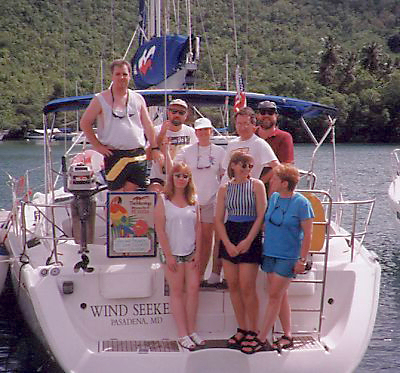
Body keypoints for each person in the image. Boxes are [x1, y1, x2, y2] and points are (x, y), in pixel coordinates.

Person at [241, 164, 314, 354]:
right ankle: (287, 335)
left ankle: (261, 338)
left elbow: (308, 235)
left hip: (287, 257)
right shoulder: (273, 198)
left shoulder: (302, 203)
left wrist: (302, 260)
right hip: (270, 253)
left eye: (274, 179)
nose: (270, 181)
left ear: (284, 183)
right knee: (280, 296)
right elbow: (267, 224)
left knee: (274, 296)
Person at [80, 59, 162, 192]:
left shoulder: (138, 98)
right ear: (112, 76)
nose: (121, 77)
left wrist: (155, 147)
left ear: (129, 76)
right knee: (116, 197)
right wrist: (98, 146)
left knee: (130, 197)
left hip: (137, 154)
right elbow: (85, 123)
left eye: (124, 74)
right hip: (114, 155)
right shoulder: (100, 99)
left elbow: (148, 125)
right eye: (117, 74)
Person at [215, 151, 267, 351]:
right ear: (233, 165)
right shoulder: (224, 189)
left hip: (250, 233)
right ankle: (242, 328)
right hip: (230, 233)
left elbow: (261, 215)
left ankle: (253, 330)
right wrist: (227, 243)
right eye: (242, 164)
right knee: (234, 286)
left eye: (249, 165)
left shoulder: (257, 185)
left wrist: (248, 240)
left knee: (247, 286)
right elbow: (219, 220)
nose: (246, 168)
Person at [154, 161, 204, 350]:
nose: (181, 179)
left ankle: (192, 331)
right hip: (171, 253)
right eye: (178, 175)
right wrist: (169, 255)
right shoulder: (163, 199)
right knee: (176, 292)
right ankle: (182, 334)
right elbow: (159, 227)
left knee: (193, 289)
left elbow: (198, 227)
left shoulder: (194, 200)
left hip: (190, 252)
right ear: (172, 178)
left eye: (185, 176)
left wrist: (198, 253)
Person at [175, 117, 226, 284]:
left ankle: (201, 275)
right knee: (191, 238)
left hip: (211, 200)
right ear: (195, 132)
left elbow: (224, 174)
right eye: (200, 130)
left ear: (211, 131)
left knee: (207, 240)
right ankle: (188, 273)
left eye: (206, 129)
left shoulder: (220, 152)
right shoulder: (186, 151)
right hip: (191, 200)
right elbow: (175, 170)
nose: (203, 133)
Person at [221, 107, 279, 185]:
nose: (242, 127)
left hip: (247, 190)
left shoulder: (260, 143)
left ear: (253, 125)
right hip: (227, 189)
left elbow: (277, 167)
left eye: (246, 123)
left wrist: (262, 182)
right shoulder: (232, 144)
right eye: (239, 123)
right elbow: (225, 169)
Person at [149, 99, 197, 192]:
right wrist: (162, 134)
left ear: (186, 115)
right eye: (174, 111)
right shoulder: (157, 130)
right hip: (160, 178)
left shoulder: (191, 132)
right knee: (155, 190)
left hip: (182, 177)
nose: (177, 115)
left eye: (181, 113)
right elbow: (149, 154)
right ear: (168, 112)